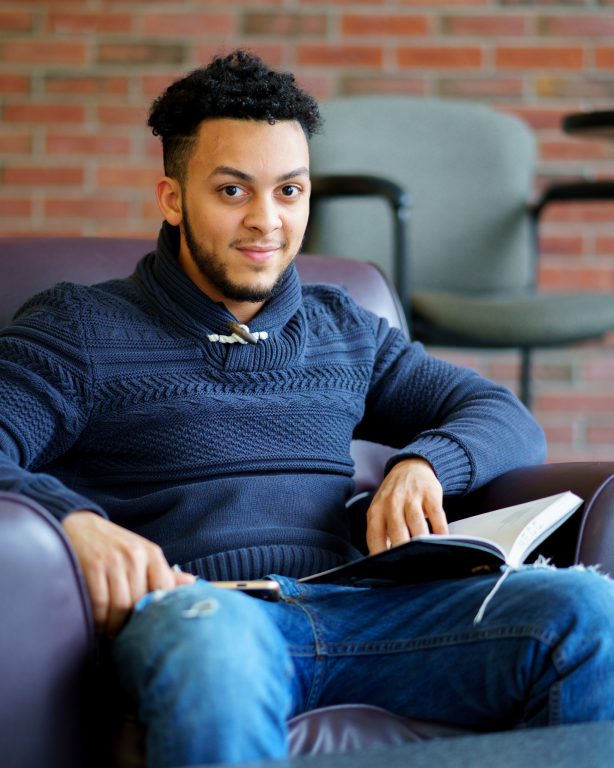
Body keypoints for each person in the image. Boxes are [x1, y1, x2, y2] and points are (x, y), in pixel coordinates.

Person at [1, 50, 614, 768]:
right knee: (215, 645)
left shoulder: (342, 328)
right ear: (172, 197)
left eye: (289, 191)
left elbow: (501, 413)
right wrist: (71, 522)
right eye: (233, 191)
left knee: (586, 614)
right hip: (210, 611)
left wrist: (424, 463)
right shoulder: (81, 327)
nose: (267, 222)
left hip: (369, 612)